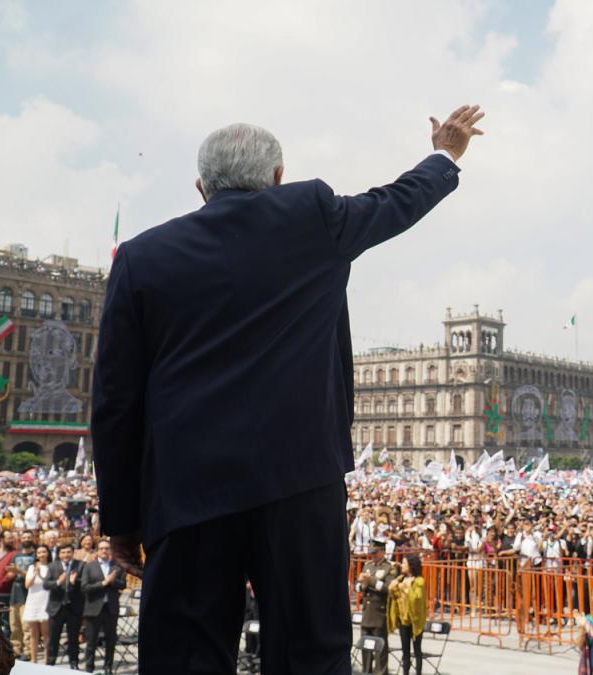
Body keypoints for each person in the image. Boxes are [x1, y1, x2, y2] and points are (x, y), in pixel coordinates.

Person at [91, 105, 485, 674]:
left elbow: (115, 402)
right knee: (309, 651)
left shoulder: (141, 258)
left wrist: (122, 520)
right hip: (299, 484)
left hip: (186, 493)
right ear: (278, 177)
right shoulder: (313, 216)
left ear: (201, 188)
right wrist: (445, 153)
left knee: (184, 655)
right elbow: (398, 201)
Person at [80, 539, 125, 674]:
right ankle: (89, 669)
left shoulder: (117, 566)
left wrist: (112, 581)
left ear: (110, 550)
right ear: (97, 551)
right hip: (93, 609)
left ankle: (108, 668)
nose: (104, 551)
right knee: (91, 642)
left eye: (107, 548)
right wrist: (103, 583)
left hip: (111, 608)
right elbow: (84, 587)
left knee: (110, 641)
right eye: (102, 548)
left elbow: (123, 585)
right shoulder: (89, 566)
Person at [43, 543, 84, 670]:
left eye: (68, 552)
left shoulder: (81, 565)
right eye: (63, 552)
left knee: (73, 637)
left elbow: (86, 583)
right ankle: (51, 663)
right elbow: (46, 585)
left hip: (74, 607)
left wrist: (74, 582)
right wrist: (58, 582)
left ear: (72, 553)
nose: (66, 555)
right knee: (53, 638)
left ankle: (74, 662)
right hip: (56, 607)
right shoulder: (52, 566)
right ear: (59, 554)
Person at [359, 539, 397, 675]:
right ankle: (366, 671)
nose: (372, 556)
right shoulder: (368, 566)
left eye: (375, 553)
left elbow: (388, 588)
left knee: (380, 649)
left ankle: (380, 672)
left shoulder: (389, 567)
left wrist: (372, 581)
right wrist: (363, 586)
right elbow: (358, 586)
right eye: (371, 553)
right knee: (366, 647)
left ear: (382, 552)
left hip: (379, 613)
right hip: (367, 612)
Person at [387, 553, 427, 675]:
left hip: (415, 621)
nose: (402, 565)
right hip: (403, 620)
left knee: (417, 650)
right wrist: (394, 587)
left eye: (404, 563)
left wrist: (404, 588)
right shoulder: (401, 579)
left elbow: (417, 598)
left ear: (410, 566)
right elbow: (394, 595)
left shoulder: (419, 581)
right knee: (405, 651)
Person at [22, 545, 52, 663]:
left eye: (44, 552)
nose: (41, 554)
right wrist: (35, 573)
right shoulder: (31, 567)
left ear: (48, 553)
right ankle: (33, 659)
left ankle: (46, 658)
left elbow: (50, 584)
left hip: (46, 601)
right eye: (39, 552)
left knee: (46, 633)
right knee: (33, 633)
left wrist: (40, 575)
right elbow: (27, 585)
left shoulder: (51, 567)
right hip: (33, 601)